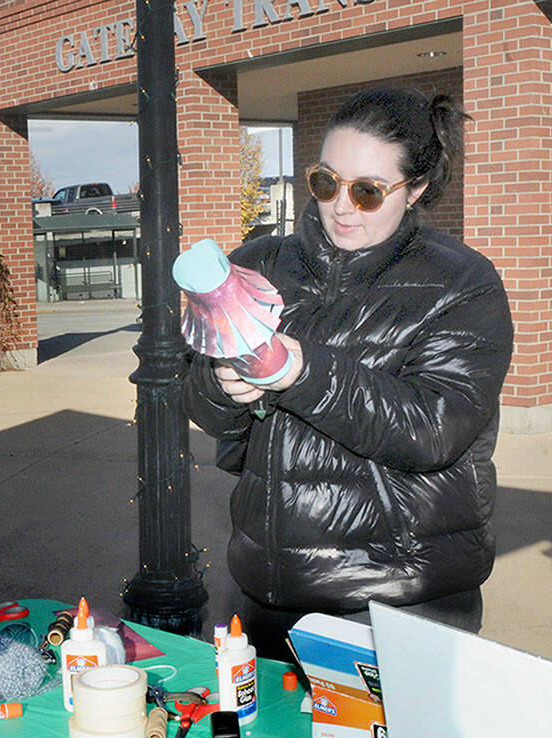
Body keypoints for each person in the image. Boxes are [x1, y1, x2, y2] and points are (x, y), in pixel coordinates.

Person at [183, 87, 514, 660]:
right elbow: (200, 405)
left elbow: (434, 428)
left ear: (416, 189)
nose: (340, 206)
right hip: (269, 593)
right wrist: (221, 386)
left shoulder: (463, 284)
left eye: (367, 191)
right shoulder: (261, 262)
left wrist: (302, 371)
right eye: (326, 182)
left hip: (399, 599)